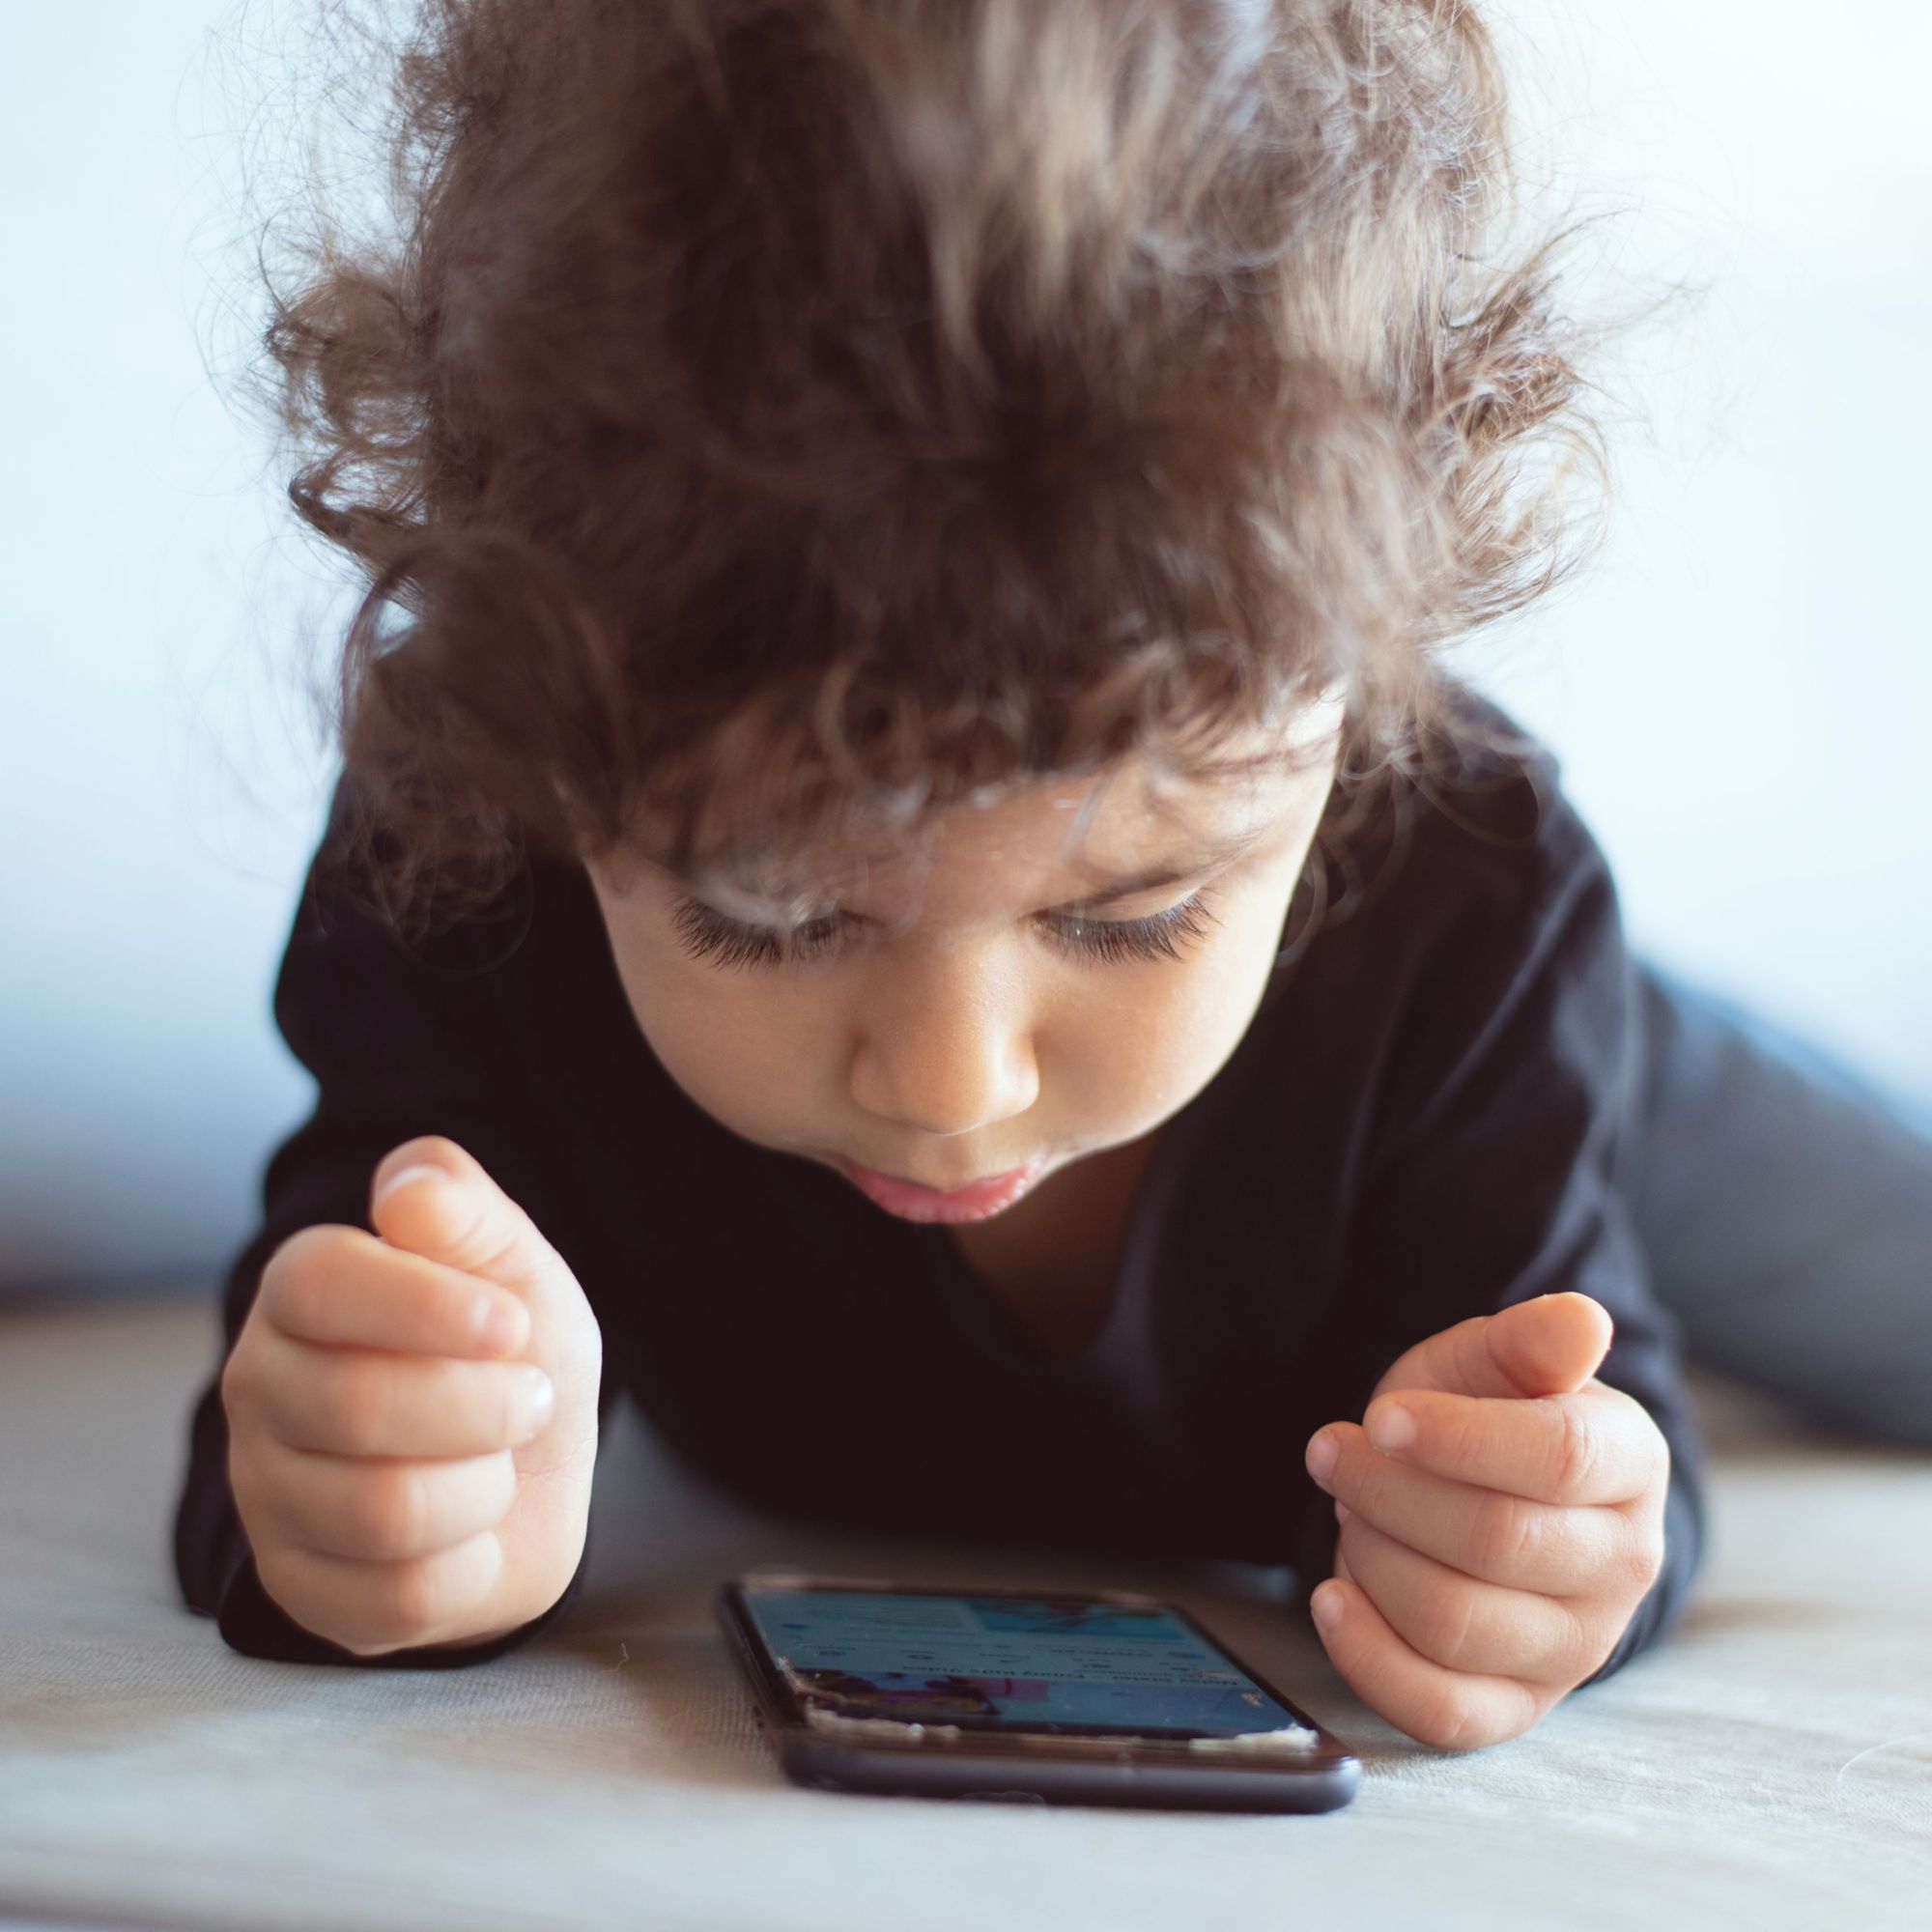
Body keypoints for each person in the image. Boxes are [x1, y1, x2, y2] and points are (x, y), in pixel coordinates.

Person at [172, 0, 1931, 1752]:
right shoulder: (469, 844)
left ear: (1353, 723)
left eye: (1130, 907)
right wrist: (374, 1503)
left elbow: (1618, 1462)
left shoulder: (1470, 894)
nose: (954, 1089)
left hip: (1473, 1027)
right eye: (773, 913)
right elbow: (288, 1443)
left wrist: (1557, 1536)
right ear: (547, 769)